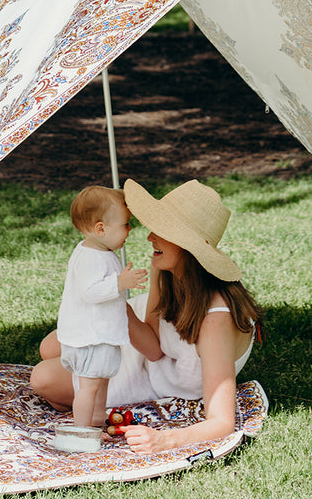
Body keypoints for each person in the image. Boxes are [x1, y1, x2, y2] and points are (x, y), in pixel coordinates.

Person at [31, 178, 260, 454]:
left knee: (42, 379)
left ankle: (79, 403)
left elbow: (222, 422)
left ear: (187, 246)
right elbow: (152, 345)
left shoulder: (215, 321)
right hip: (143, 334)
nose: (149, 237)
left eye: (161, 231)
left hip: (154, 373)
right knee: (50, 346)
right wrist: (114, 307)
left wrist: (166, 440)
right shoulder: (164, 270)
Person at [53, 185, 148, 431]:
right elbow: (91, 292)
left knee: (100, 384)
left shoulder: (101, 251)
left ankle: (95, 424)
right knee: (88, 388)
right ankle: (82, 432)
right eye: (126, 224)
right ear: (101, 228)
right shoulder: (90, 257)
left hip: (99, 337)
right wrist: (120, 283)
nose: (130, 229)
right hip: (89, 339)